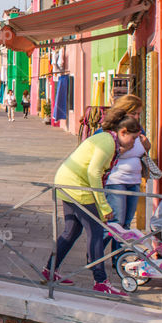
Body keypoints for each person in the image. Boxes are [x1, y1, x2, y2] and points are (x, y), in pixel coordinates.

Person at [42, 112, 143, 295]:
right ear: (123, 132)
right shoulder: (108, 144)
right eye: (134, 138)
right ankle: (101, 282)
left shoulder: (107, 139)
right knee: (96, 232)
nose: (134, 143)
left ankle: (50, 270)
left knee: (71, 231)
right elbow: (94, 173)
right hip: (77, 186)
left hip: (67, 182)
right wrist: (104, 207)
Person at [101, 94, 151, 250]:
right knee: (116, 223)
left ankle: (118, 259)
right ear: (124, 111)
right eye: (134, 113)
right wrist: (122, 149)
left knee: (126, 225)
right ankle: (96, 254)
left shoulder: (138, 129)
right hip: (116, 181)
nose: (137, 117)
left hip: (134, 181)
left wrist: (146, 145)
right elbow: (103, 151)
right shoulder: (111, 129)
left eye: (139, 113)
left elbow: (142, 150)